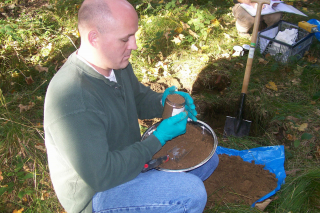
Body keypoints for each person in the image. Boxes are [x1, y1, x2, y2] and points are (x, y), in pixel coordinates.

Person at [43, 0, 219, 212]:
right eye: (125, 39)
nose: (134, 45)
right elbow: (103, 175)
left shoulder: (116, 64)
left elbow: (137, 98)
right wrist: (158, 139)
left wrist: (164, 103)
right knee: (191, 194)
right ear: (94, 38)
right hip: (98, 194)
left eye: (134, 35)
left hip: (132, 161)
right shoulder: (73, 98)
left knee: (209, 160)